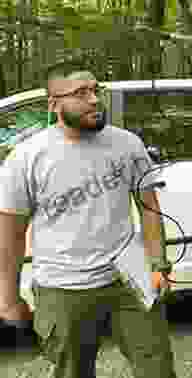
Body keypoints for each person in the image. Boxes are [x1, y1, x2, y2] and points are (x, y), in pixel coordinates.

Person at [0, 66, 176, 378]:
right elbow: (11, 234)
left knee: (158, 369)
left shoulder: (127, 144)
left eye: (96, 90)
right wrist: (8, 298)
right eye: (81, 93)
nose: (95, 100)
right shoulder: (27, 157)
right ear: (53, 104)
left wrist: (158, 263)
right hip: (63, 287)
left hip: (130, 275)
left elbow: (149, 206)